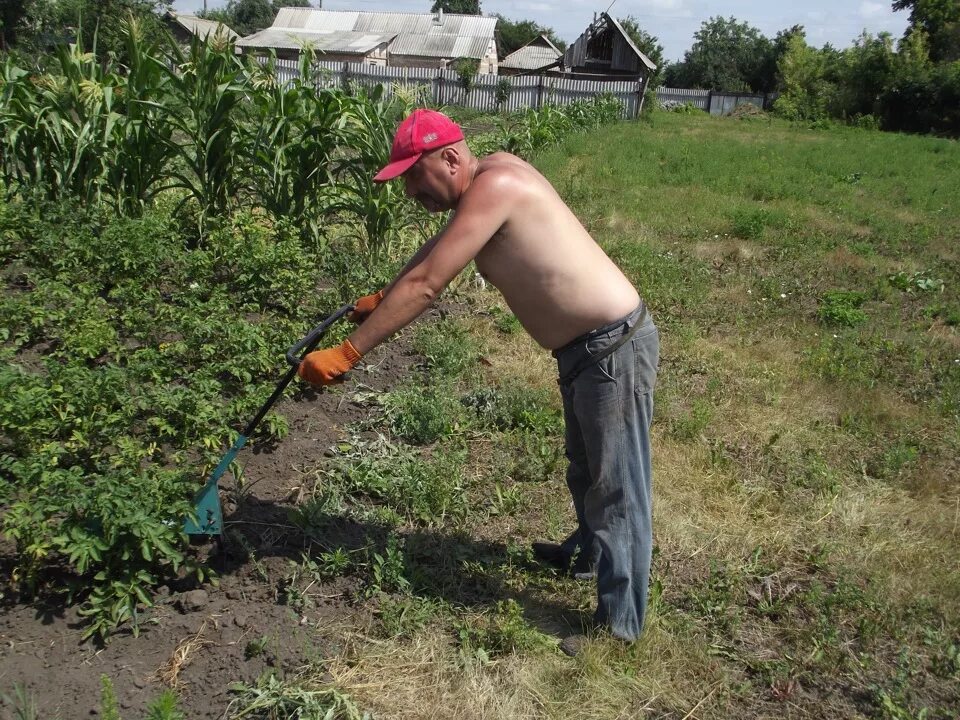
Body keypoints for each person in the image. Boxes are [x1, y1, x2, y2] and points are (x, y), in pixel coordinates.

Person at [298, 108, 659, 653]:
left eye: (414, 178)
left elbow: (427, 284)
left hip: (611, 349)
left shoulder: (499, 185)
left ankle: (620, 628)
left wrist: (348, 353)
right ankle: (589, 557)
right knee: (586, 465)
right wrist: (380, 295)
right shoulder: (486, 178)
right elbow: (433, 253)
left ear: (449, 157)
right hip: (586, 351)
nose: (410, 193)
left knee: (617, 486)